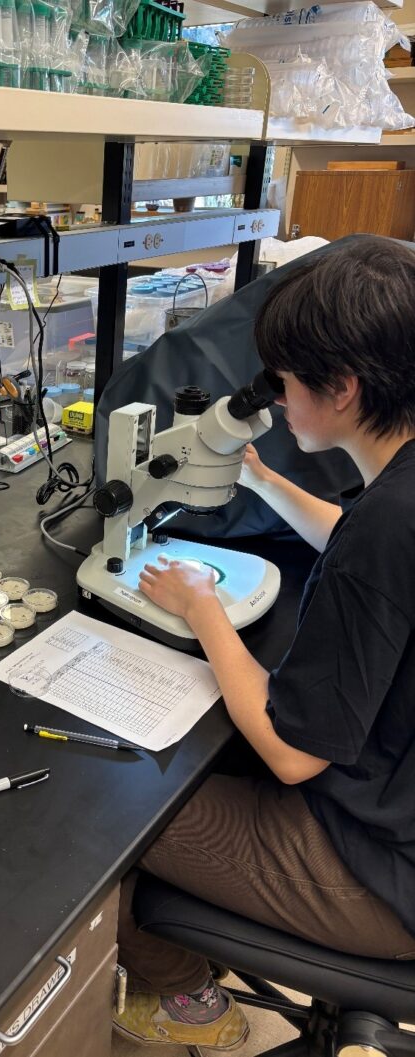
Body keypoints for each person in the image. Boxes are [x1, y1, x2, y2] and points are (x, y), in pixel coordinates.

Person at [113, 235, 415, 1050]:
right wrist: (259, 476)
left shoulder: (388, 527)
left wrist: (202, 607)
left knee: (119, 811)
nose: (275, 400)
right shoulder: (398, 490)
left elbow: (292, 754)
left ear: (343, 388)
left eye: (283, 383)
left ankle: (178, 1000)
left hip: (383, 873)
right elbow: (358, 540)